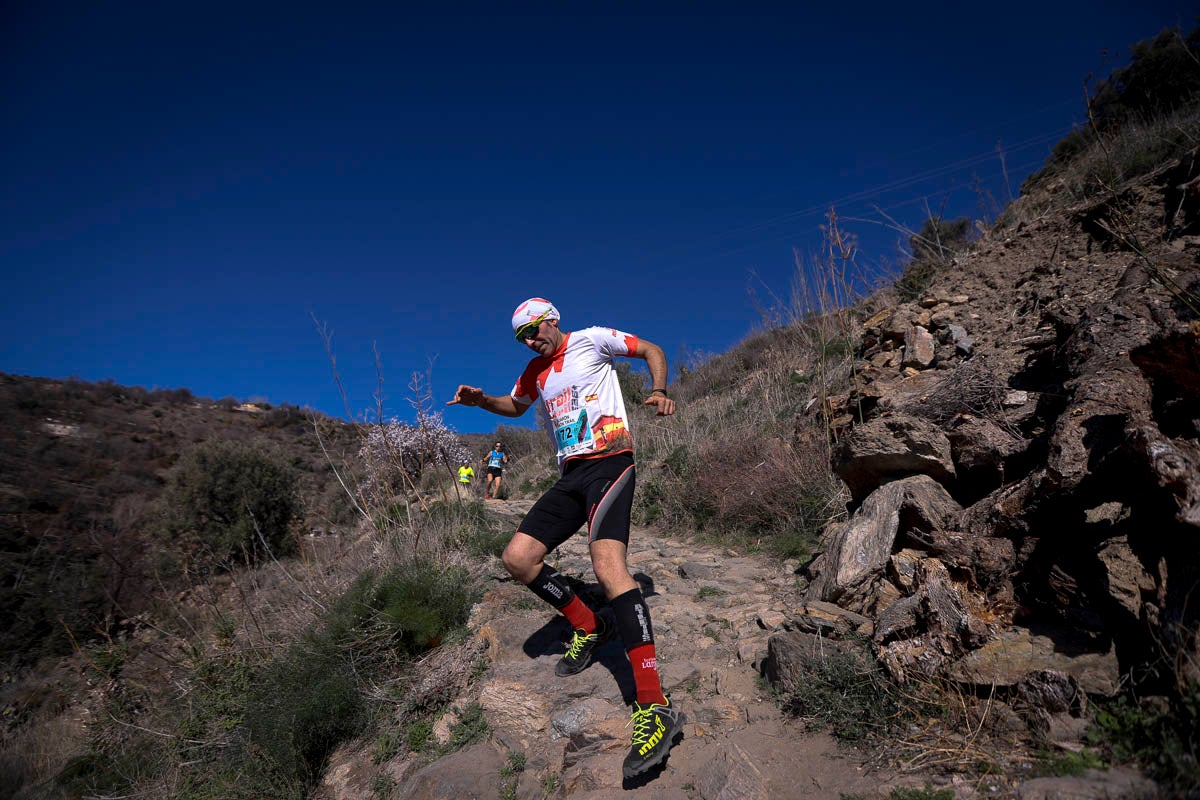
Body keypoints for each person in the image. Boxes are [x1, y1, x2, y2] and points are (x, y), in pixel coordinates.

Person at [448, 297, 685, 779]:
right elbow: (514, 406)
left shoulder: (591, 339)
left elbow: (651, 349)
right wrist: (480, 402)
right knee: (518, 558)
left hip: (611, 459)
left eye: (535, 330)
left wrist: (659, 389)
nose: (531, 340)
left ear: (552, 320)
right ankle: (590, 624)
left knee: (608, 568)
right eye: (522, 337)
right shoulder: (535, 371)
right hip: (570, 474)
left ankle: (655, 705)